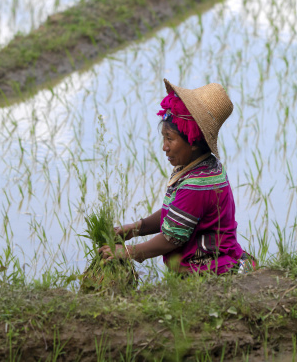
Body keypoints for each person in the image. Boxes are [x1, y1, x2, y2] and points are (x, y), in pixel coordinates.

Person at [100, 78, 254, 274]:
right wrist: (135, 228)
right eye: (163, 138)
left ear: (194, 142)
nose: (164, 147)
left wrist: (130, 251)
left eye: (170, 139)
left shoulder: (198, 185)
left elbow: (171, 238)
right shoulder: (199, 166)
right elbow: (175, 214)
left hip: (209, 268)